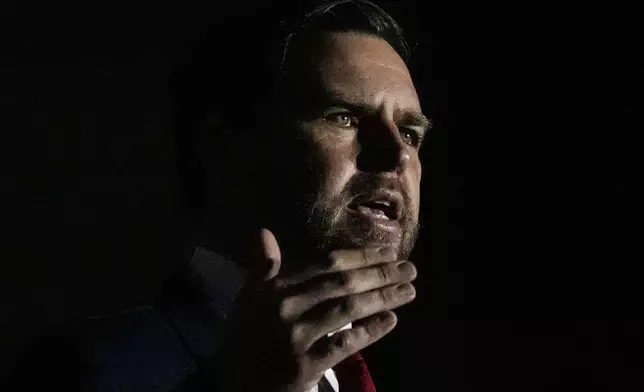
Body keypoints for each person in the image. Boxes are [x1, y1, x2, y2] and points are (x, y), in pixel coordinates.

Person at [6, 1, 430, 390]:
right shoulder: (82, 369)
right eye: (344, 117)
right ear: (227, 150)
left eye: (411, 133)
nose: (397, 153)